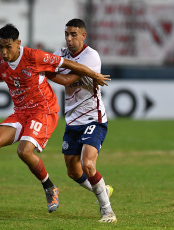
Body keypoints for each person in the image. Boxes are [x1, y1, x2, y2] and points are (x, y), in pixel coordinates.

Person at [0, 24, 110, 213]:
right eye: (0, 46)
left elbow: (66, 64)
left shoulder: (34, 56)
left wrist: (94, 75)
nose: (4, 51)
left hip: (44, 111)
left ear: (18, 43)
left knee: (24, 151)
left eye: (8, 46)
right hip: (20, 113)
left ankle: (50, 188)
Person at [49, 19, 117, 223]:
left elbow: (66, 79)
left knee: (88, 164)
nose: (69, 38)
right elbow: (52, 67)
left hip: (92, 118)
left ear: (83, 35)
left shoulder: (91, 56)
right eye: (67, 34)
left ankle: (108, 211)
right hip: (72, 120)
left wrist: (47, 72)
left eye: (74, 34)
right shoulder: (60, 53)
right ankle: (102, 189)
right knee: (72, 171)